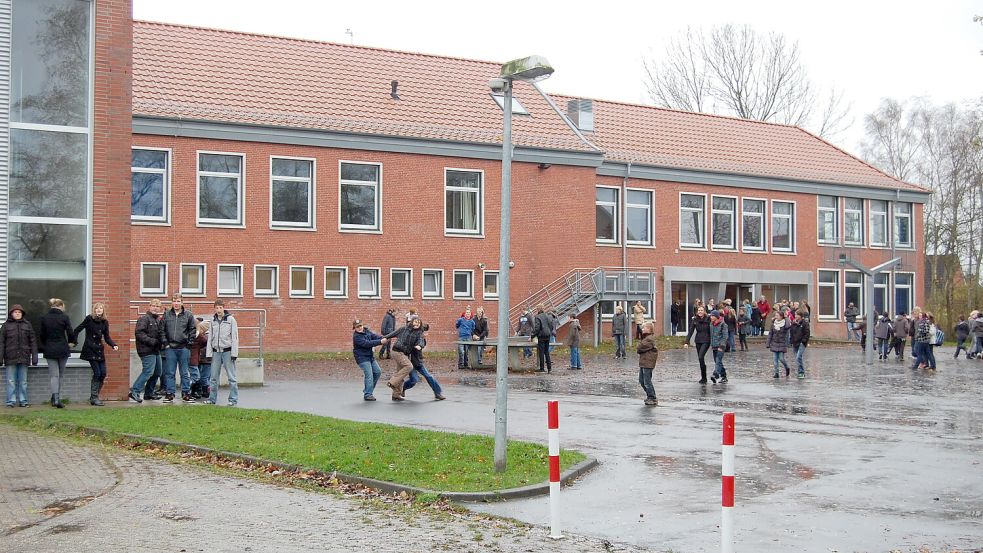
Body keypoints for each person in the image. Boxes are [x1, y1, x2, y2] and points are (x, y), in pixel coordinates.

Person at [74, 302, 119, 406]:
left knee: (103, 373)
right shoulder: (89, 319)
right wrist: (74, 341)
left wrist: (113, 345)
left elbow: (107, 337)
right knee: (97, 373)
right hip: (90, 349)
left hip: (99, 349)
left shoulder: (104, 322)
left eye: (101, 308)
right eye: (97, 308)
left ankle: (94, 396)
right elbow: (78, 329)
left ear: (103, 310)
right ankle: (94, 397)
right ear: (94, 310)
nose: (99, 310)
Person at [40, 298, 75, 409]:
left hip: (50, 348)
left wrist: (46, 344)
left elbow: (42, 334)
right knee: (60, 374)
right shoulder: (64, 317)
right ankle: (56, 398)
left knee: (53, 375)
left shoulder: (45, 318)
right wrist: (72, 342)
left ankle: (54, 398)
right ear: (61, 306)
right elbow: (70, 332)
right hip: (62, 348)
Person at [162, 294, 197, 403]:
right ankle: (170, 393)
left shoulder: (188, 315)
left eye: (178, 301)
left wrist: (189, 344)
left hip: (183, 348)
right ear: (171, 302)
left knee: (184, 372)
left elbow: (192, 330)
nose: (176, 303)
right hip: (170, 348)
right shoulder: (166, 315)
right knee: (170, 372)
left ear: (182, 302)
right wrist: (166, 344)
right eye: (174, 301)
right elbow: (162, 330)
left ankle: (186, 393)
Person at [129, 299, 166, 403]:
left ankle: (149, 393)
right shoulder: (144, 318)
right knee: (148, 371)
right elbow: (139, 333)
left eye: (157, 306)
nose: (155, 308)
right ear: (149, 306)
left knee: (158, 372)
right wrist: (152, 341)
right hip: (146, 350)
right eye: (153, 305)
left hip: (156, 350)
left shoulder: (158, 320)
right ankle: (135, 391)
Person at [1, 304, 37, 408]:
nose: (17, 314)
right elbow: (1, 343)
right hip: (10, 357)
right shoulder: (5, 326)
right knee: (11, 381)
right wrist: (1, 358)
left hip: (24, 356)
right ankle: (10, 402)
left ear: (22, 314)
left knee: (23, 381)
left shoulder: (27, 325)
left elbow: (33, 341)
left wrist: (34, 357)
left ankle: (23, 401)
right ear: (11, 314)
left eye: (19, 312)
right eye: (15, 312)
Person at [206, 300, 239, 406]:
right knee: (213, 378)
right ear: (214, 309)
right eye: (217, 308)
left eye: (220, 308)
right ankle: (212, 399)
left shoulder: (231, 320)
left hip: (227, 351)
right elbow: (210, 337)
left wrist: (234, 353)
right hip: (216, 352)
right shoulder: (212, 320)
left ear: (223, 308)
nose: (219, 310)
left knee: (231, 377)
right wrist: (209, 353)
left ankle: (233, 399)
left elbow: (234, 337)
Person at [384, 317, 425, 400]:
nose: (417, 323)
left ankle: (396, 395)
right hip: (396, 351)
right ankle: (392, 382)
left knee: (400, 373)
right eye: (415, 322)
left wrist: (419, 346)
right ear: (412, 322)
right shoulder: (404, 329)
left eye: (419, 323)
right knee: (409, 366)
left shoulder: (419, 333)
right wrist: (385, 337)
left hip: (404, 354)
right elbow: (393, 333)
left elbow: (421, 341)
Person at [402, 323, 445, 401]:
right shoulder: (408, 336)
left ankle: (438, 393)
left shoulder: (421, 337)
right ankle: (403, 388)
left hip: (418, 361)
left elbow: (422, 343)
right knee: (414, 380)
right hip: (410, 363)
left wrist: (420, 344)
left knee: (428, 376)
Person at [352, 319, 386, 401]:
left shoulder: (366, 331)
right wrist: (380, 342)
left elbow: (374, 336)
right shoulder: (356, 337)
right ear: (354, 328)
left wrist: (382, 338)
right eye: (357, 327)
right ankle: (367, 394)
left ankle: (368, 389)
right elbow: (367, 343)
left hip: (370, 356)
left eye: (360, 326)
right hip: (362, 358)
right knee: (369, 374)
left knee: (378, 372)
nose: (359, 328)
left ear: (362, 325)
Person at [684, 306, 711, 384]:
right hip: (698, 340)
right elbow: (691, 331)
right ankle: (703, 377)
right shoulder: (695, 320)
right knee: (700, 360)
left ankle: (704, 377)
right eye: (699, 310)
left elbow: (713, 330)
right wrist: (686, 342)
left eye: (701, 310)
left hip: (706, 340)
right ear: (697, 312)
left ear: (704, 311)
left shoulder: (708, 319)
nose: (700, 312)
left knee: (701, 356)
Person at [636, 323, 659, 406]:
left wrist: (639, 346)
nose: (642, 329)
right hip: (643, 362)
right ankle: (649, 395)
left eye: (644, 328)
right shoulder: (645, 338)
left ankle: (652, 397)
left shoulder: (649, 339)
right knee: (641, 381)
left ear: (649, 329)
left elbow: (640, 347)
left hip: (648, 363)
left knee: (647, 381)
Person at [189, 318, 210, 399]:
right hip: (196, 359)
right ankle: (190, 390)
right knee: (197, 376)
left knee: (202, 377)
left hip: (204, 360)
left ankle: (200, 391)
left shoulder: (203, 337)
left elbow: (204, 343)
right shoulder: (196, 335)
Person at [768, 310, 791, 378]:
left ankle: (787, 367)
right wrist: (768, 343)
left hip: (782, 343)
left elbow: (788, 326)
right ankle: (776, 373)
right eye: (776, 315)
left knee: (781, 359)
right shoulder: (773, 324)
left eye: (777, 316)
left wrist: (786, 318)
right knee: (775, 360)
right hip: (774, 343)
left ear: (781, 317)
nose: (776, 317)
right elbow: (770, 334)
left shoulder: (784, 323)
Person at [533, 304, 555, 373]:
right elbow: (551, 325)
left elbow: (537, 328)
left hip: (541, 336)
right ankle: (549, 368)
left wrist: (532, 336)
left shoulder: (537, 317)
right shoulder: (547, 316)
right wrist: (549, 331)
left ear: (538, 309)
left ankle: (542, 368)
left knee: (541, 352)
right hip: (548, 335)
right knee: (547, 352)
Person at [709, 310, 728, 384]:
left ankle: (715, 375)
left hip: (720, 346)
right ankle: (724, 376)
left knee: (718, 360)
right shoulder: (711, 324)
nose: (711, 317)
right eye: (711, 316)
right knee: (718, 362)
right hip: (714, 345)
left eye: (712, 316)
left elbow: (725, 336)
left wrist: (722, 345)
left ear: (716, 316)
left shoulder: (723, 324)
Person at [789, 311, 810, 378]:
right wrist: (791, 341)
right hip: (795, 343)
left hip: (801, 343)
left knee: (798, 357)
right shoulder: (793, 323)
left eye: (797, 315)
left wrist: (803, 341)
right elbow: (791, 333)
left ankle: (801, 372)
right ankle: (799, 372)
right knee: (797, 358)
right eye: (795, 314)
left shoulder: (804, 323)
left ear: (800, 316)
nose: (795, 316)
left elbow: (807, 333)